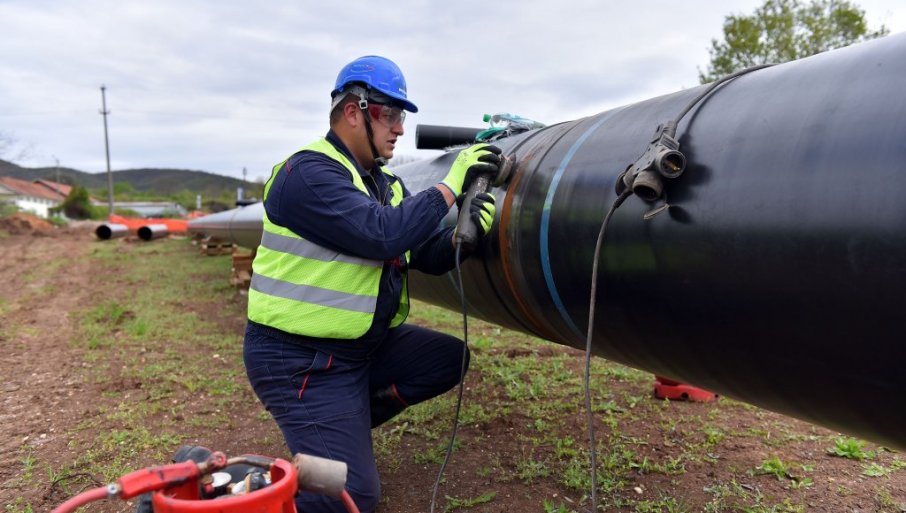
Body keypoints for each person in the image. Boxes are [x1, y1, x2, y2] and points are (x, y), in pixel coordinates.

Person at [243, 55, 501, 513]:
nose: (399, 128)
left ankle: (338, 428)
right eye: (390, 114)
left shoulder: (386, 185)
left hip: (359, 349)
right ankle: (239, 488)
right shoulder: (308, 175)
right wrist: (450, 184)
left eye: (401, 116)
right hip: (301, 360)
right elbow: (382, 234)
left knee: (446, 359)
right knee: (352, 498)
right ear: (352, 111)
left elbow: (420, 252)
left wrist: (462, 239)